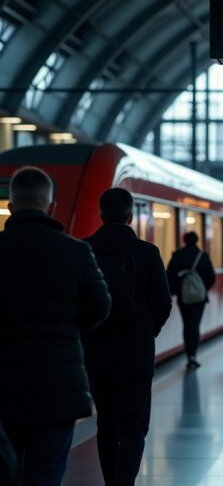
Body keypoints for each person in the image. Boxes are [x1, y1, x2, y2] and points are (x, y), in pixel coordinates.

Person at [0, 167, 111, 485]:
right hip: (58, 387)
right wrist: (69, 328)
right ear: (51, 207)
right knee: (46, 473)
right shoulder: (76, 252)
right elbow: (100, 307)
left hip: (3, 386)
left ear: (11, 206)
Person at [83, 188, 173, 486]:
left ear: (101, 214)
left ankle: (111, 482)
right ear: (131, 216)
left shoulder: (84, 250)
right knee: (133, 425)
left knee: (106, 423)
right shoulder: (147, 252)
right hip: (137, 349)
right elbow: (163, 303)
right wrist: (148, 331)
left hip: (96, 350)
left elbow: (78, 302)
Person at [166, 231, 216, 368]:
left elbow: (168, 276)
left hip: (183, 297)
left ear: (184, 240)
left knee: (187, 325)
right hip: (199, 299)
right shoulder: (203, 256)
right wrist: (203, 289)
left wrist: (176, 290)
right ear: (197, 241)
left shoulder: (177, 256)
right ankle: (193, 355)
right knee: (195, 325)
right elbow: (211, 277)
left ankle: (188, 355)